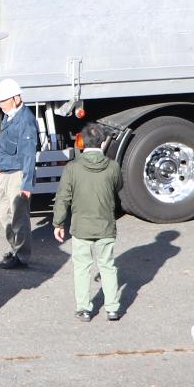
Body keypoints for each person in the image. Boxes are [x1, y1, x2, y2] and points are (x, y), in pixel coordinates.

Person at [54, 122, 123, 322]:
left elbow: (63, 197)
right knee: (107, 266)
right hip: (105, 226)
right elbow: (118, 186)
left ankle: (84, 308)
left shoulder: (73, 168)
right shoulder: (112, 166)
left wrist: (58, 223)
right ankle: (112, 308)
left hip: (81, 227)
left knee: (82, 267)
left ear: (82, 142)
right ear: (103, 142)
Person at [0, 80, 38, 269]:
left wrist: (27, 184)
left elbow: (28, 155)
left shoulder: (25, 121)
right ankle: (16, 247)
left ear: (16, 99)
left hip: (17, 174)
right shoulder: (8, 115)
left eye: (3, 100)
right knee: (3, 213)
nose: (0, 104)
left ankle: (22, 256)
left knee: (19, 216)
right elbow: (6, 147)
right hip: (5, 172)